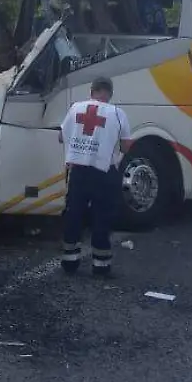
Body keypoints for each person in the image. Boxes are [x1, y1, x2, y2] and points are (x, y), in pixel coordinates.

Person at [58, 76, 131, 277]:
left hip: (78, 171)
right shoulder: (118, 113)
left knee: (74, 214)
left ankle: (70, 261)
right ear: (110, 93)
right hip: (104, 172)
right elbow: (126, 145)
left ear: (91, 91)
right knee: (102, 216)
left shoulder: (75, 109)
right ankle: (101, 265)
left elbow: (61, 136)